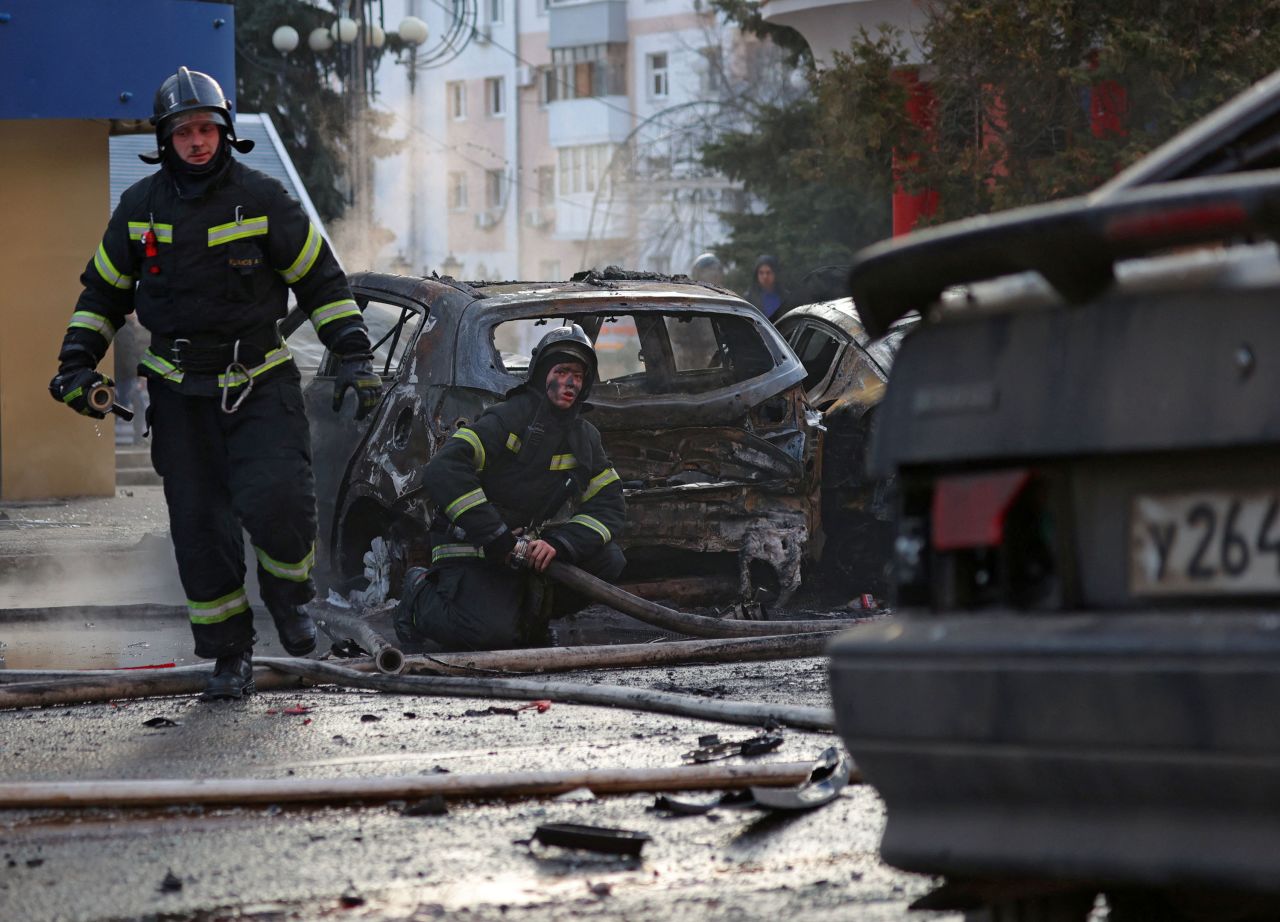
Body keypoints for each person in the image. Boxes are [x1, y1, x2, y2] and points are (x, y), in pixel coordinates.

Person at [48, 67, 382, 700]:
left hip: (259, 383)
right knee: (201, 531)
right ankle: (230, 656)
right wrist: (74, 364)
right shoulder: (140, 208)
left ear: (225, 133)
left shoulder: (262, 199)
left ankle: (290, 604)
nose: (197, 141)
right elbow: (102, 296)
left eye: (206, 129)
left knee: (278, 505)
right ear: (164, 138)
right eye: (184, 132)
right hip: (178, 394)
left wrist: (355, 356)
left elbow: (321, 282)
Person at [393, 325, 626, 652]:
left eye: (579, 374)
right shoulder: (506, 418)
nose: (570, 382)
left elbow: (610, 505)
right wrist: (498, 537)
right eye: (561, 371)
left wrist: (560, 543)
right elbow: (443, 469)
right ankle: (418, 597)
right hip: (471, 548)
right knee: (488, 636)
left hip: (521, 552)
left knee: (609, 559)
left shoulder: (584, 438)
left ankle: (528, 622)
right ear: (541, 374)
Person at [745, 254, 790, 321]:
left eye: (768, 272)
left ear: (775, 274)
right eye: (761, 273)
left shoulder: (785, 297)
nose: (765, 277)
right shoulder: (749, 298)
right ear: (757, 275)